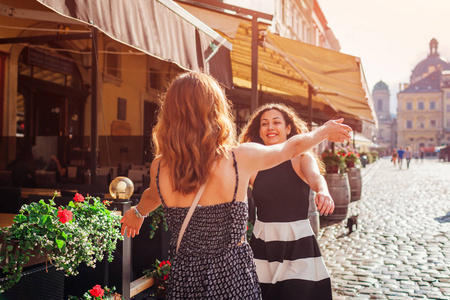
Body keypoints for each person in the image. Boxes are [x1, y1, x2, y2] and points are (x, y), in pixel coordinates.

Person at [119, 72, 352, 299]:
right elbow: (289, 148)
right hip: (233, 277)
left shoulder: (160, 166)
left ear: (169, 113)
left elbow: (152, 195)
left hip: (185, 277)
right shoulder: (238, 158)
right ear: (215, 109)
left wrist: (137, 213)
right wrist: (324, 131)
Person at [240, 103, 333, 299]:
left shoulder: (301, 158)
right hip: (263, 244)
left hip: (298, 243)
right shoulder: (253, 165)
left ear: (288, 128)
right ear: (259, 131)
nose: (270, 127)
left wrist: (323, 191)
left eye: (276, 122)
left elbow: (316, 178)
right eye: (264, 124)